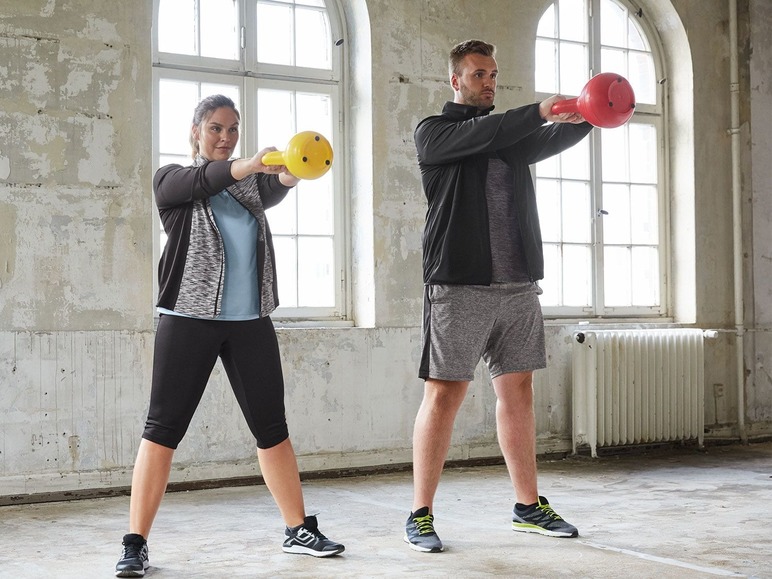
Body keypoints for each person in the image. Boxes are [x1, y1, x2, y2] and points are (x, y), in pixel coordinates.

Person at [115, 94, 344, 577]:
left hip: (249, 324)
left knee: (272, 429)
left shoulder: (249, 190)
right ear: (196, 132)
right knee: (162, 431)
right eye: (216, 128)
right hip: (187, 319)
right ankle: (135, 542)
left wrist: (289, 169)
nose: (225, 136)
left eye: (233, 129)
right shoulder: (173, 182)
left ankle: (298, 528)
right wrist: (252, 163)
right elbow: (211, 177)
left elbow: (275, 186)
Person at [404, 40, 593, 553]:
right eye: (478, 74)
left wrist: (591, 114)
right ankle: (420, 514)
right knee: (444, 395)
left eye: (493, 73)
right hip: (459, 285)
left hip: (517, 286)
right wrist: (538, 111)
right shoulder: (435, 134)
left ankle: (528, 507)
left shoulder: (509, 140)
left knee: (518, 393)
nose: (488, 81)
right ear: (455, 81)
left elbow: (547, 139)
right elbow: (497, 128)